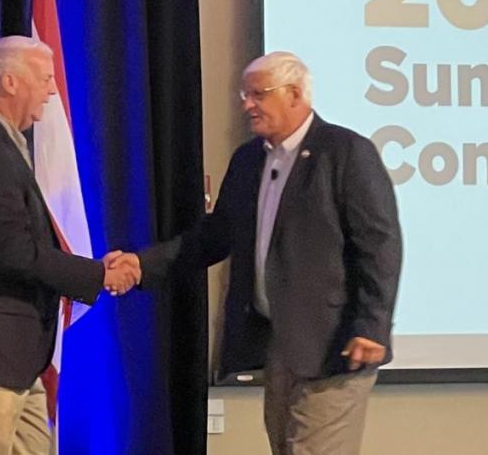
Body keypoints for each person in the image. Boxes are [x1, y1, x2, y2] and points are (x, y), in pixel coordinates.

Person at [113, 51, 402, 455]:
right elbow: (214, 236)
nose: (247, 105)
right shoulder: (250, 160)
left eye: (258, 94)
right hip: (279, 344)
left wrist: (372, 326)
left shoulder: (345, 152)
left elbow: (379, 245)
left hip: (335, 344)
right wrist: (142, 265)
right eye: (244, 95)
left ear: (296, 94)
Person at [0, 35, 140, 455]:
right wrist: (98, 274)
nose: (53, 89)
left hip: (15, 355)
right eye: (44, 78)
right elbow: (13, 253)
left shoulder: (2, 143)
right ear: (9, 82)